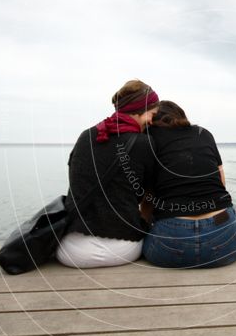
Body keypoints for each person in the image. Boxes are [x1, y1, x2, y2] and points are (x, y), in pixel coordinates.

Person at [55, 80, 159, 268]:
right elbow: (148, 196)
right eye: (152, 114)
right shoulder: (145, 143)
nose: (152, 121)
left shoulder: (86, 136)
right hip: (122, 249)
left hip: (70, 251)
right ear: (139, 110)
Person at [142, 101, 236, 268]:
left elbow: (148, 196)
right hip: (226, 243)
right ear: (181, 116)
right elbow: (221, 182)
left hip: (170, 246)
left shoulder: (147, 138)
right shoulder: (203, 134)